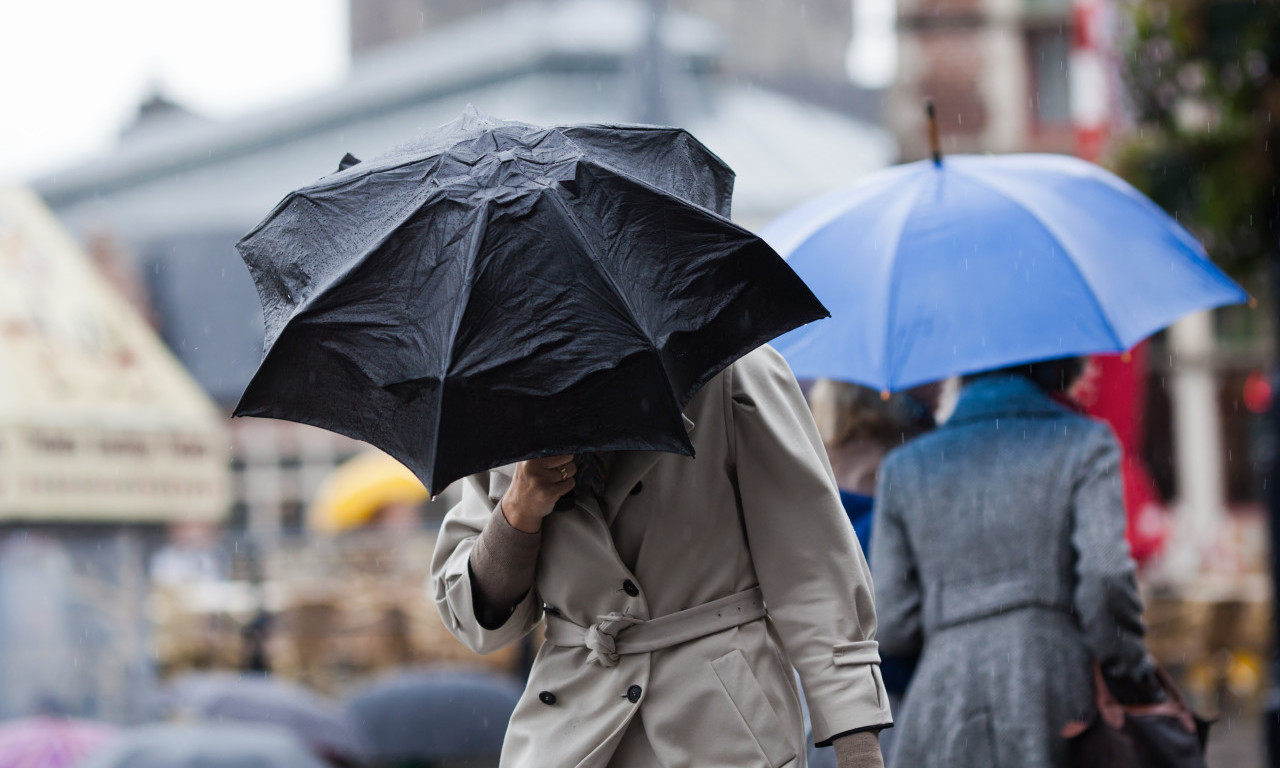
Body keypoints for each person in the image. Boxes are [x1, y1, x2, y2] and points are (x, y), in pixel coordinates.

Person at [431, 345, 893, 768]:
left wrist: (858, 749)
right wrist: (518, 511)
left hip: (723, 729)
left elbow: (812, 570)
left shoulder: (731, 368)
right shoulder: (498, 398)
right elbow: (477, 619)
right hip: (568, 735)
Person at [870, 358, 1164, 768]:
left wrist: (957, 623)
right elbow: (1105, 577)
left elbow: (891, 623)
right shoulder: (1083, 443)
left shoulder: (904, 467)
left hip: (943, 698)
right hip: (1054, 687)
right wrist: (1130, 670)